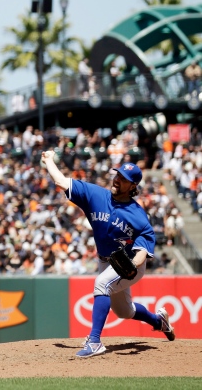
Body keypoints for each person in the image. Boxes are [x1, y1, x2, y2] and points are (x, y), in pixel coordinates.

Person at [40, 151, 175, 358]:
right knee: (124, 311)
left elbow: (142, 251)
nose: (118, 180)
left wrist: (132, 264)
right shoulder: (96, 195)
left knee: (101, 284)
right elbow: (60, 181)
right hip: (106, 261)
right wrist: (49, 160)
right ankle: (159, 321)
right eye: (118, 175)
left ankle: (94, 341)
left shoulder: (138, 216)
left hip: (130, 266)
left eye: (124, 179)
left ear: (133, 186)